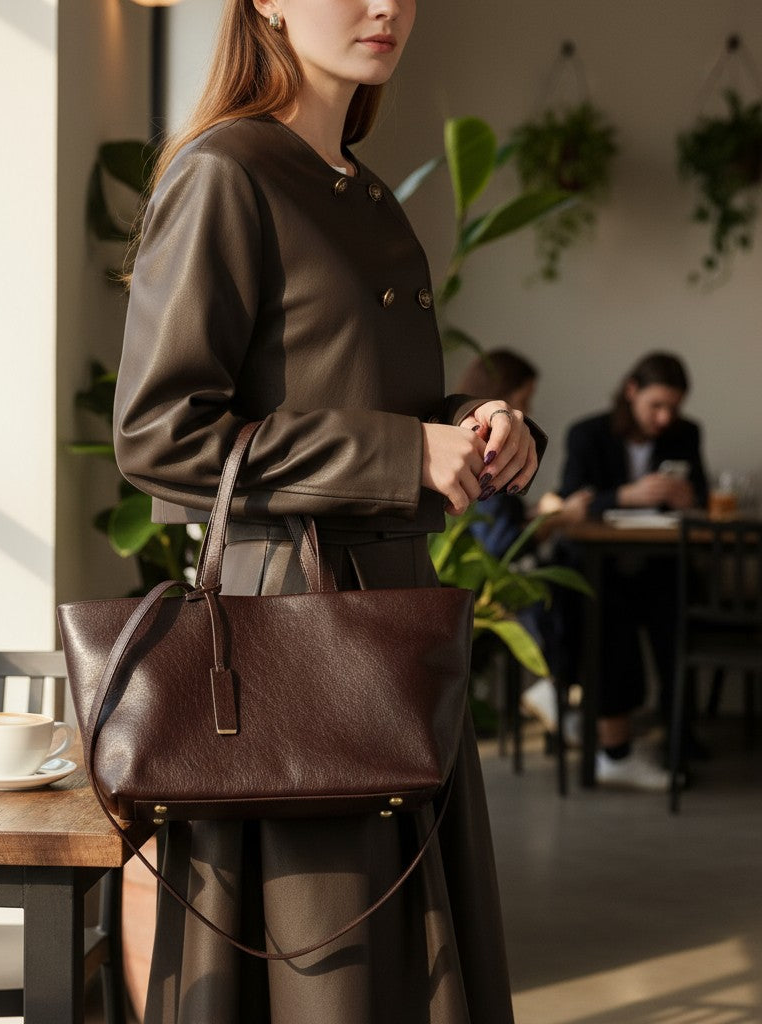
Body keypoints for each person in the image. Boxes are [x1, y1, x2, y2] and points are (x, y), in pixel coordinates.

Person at [112, 2, 544, 1021]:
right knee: (329, 974)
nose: (385, 5)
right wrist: (404, 453)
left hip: (394, 625)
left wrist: (471, 424)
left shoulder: (362, 186)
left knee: (405, 968)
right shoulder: (228, 170)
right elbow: (159, 435)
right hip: (295, 636)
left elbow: (357, 401)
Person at [558, 351, 709, 790]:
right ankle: (613, 745)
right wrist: (627, 495)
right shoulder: (588, 433)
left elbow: (701, 494)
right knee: (606, 613)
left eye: (673, 408)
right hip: (603, 568)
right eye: (655, 406)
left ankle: (679, 738)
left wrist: (688, 499)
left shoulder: (687, 434)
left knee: (680, 617)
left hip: (660, 567)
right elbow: (570, 502)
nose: (664, 418)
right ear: (631, 392)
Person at [455, 350, 592, 735]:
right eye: (523, 398)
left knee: (569, 569)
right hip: (485, 582)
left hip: (485, 571)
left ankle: (559, 689)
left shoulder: (473, 444)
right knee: (567, 576)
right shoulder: (484, 448)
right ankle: (556, 685)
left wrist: (541, 515)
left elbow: (496, 524)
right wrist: (555, 519)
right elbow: (499, 544)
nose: (525, 411)